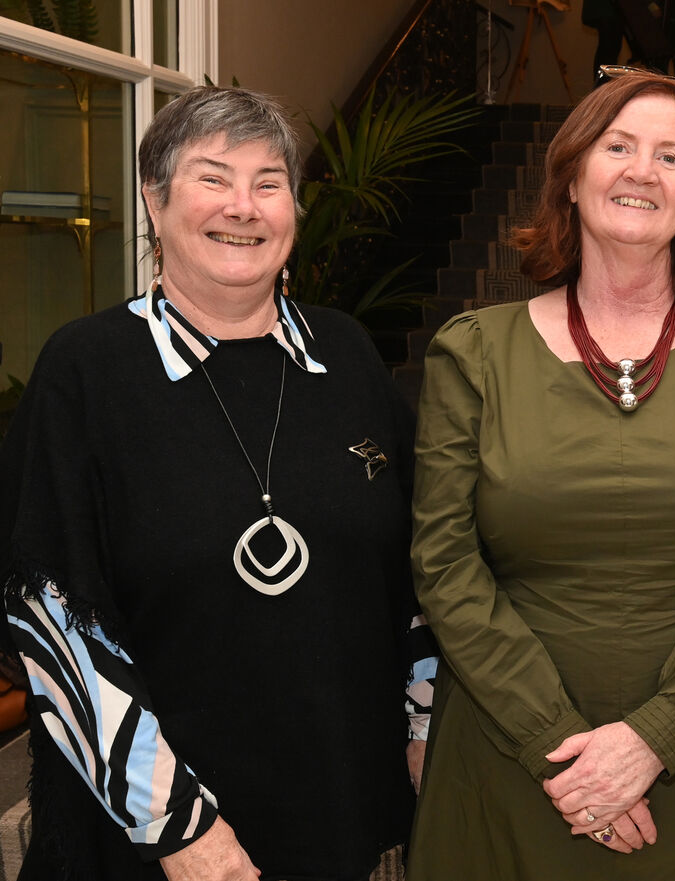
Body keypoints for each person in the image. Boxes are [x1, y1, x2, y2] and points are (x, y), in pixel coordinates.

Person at [0, 86, 434, 880]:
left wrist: (424, 731)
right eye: (213, 177)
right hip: (153, 841)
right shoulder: (86, 372)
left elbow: (413, 575)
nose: (244, 206)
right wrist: (181, 829)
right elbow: (54, 619)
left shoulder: (349, 357)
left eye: (268, 183)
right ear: (154, 201)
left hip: (345, 813)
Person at [406, 67, 675, 880]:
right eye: (618, 145)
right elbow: (444, 564)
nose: (642, 170)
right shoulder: (473, 350)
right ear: (571, 174)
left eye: (673, 156)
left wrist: (654, 739)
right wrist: (558, 747)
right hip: (511, 749)